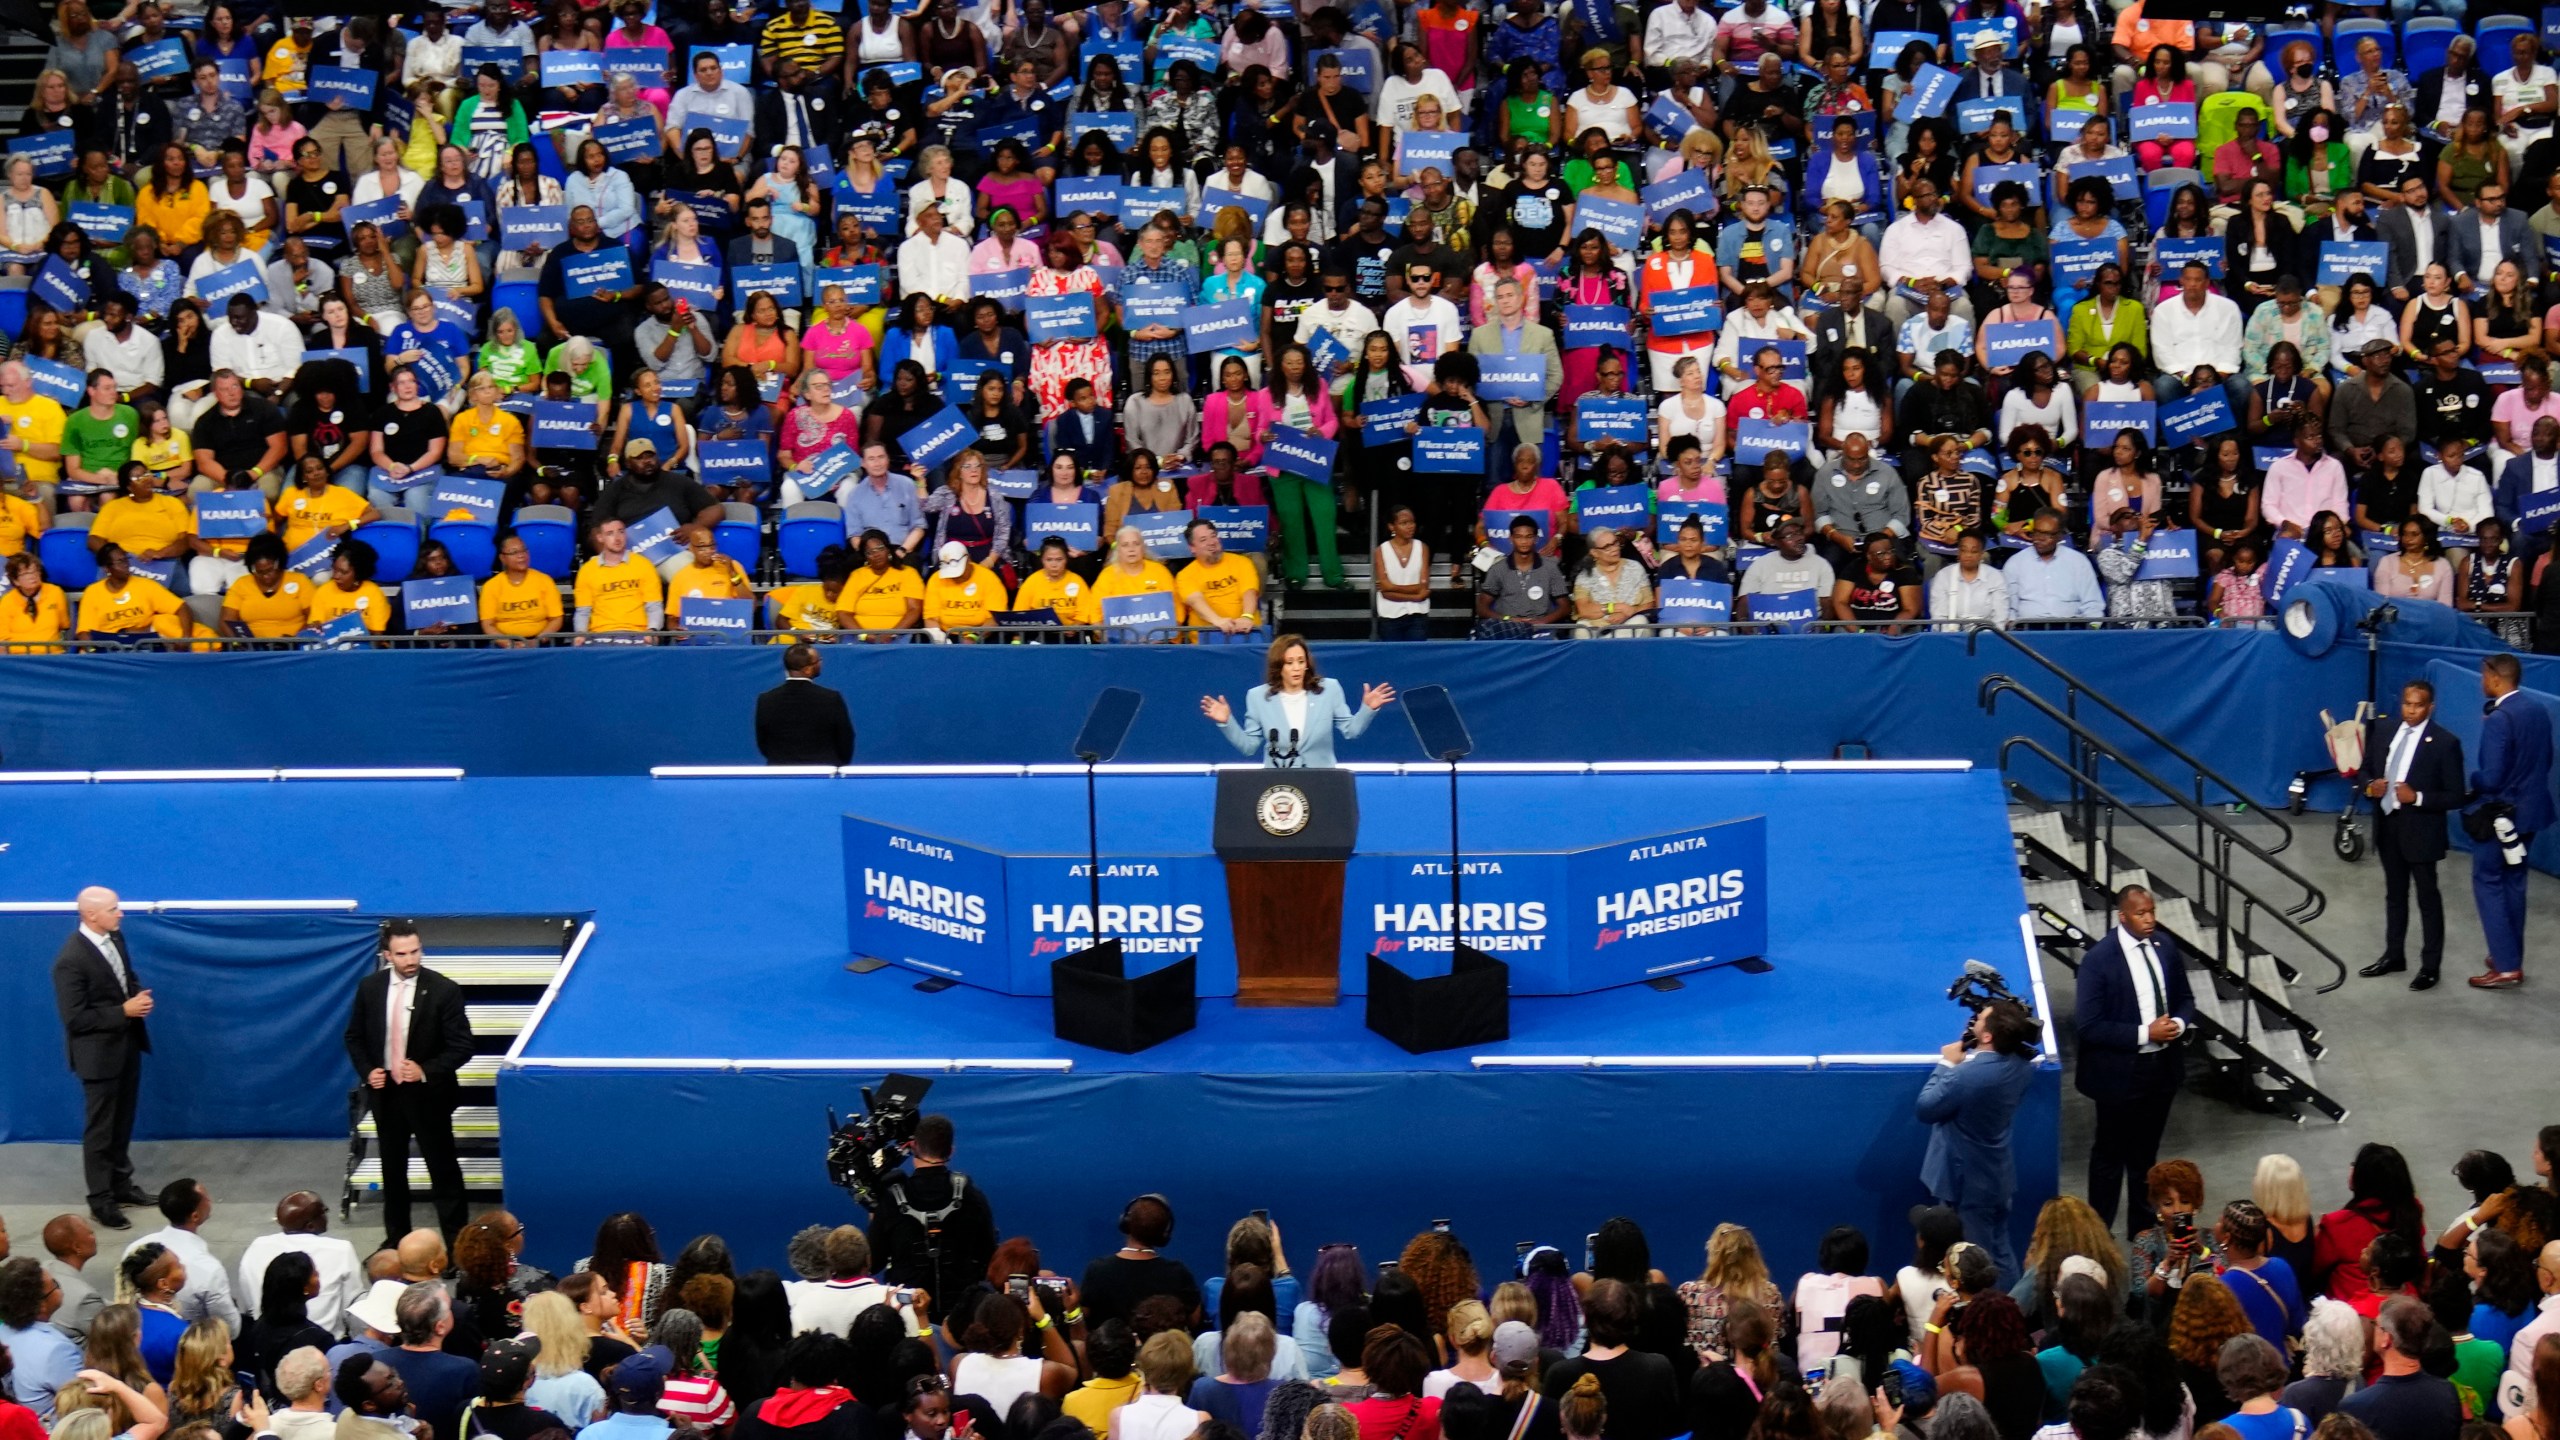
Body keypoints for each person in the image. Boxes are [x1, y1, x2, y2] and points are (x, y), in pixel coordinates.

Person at [342, 921, 475, 1247]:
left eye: (415, 951)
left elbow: (462, 1047)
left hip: (429, 1095)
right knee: (393, 1172)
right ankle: (397, 1240)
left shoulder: (444, 990)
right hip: (386, 1095)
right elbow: (354, 1037)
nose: (411, 959)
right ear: (387, 954)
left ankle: (458, 1250)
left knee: (443, 1172)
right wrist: (368, 1070)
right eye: (402, 954)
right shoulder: (369, 988)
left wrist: (425, 1069)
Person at [2076, 886, 2197, 1238]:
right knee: (2110, 1157)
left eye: (2152, 911)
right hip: (2120, 1076)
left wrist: (2179, 1023)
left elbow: (2186, 998)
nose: (2150, 919)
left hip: (2161, 1071)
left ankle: (2143, 1233)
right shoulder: (2098, 961)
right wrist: (2146, 1033)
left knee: (2146, 1156)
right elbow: (2089, 1026)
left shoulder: (2165, 947)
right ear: (2123, 916)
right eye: (2141, 913)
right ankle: (2098, 1232)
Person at [2349, 681, 2466, 991]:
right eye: (2407, 704)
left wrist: (2419, 798)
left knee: (2428, 898)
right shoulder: (2385, 731)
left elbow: (2455, 796)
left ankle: (2430, 966)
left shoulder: (2444, 743)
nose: (2411, 710)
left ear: (2431, 707)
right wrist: (2368, 785)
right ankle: (2393, 955)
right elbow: (2364, 770)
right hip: (2388, 825)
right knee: (2394, 894)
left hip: (2422, 831)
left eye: (2418, 705)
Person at [1916, 1000, 2040, 1287]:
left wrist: (1947, 1063)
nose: (1974, 1022)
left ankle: (1992, 1321)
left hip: (1967, 1185)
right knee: (2001, 1251)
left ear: (1987, 1037)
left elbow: (1925, 1108)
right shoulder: (2022, 1067)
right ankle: (2013, 1312)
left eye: (1980, 1019)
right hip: (1997, 1178)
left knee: (1976, 1262)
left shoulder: (1966, 1076)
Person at [51, 887, 150, 1230]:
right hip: (98, 1059)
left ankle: (121, 1186)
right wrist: (123, 1010)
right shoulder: (70, 960)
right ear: (91, 915)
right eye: (113, 909)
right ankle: (101, 1201)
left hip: (126, 1048)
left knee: (122, 1123)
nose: (120, 913)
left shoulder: (115, 938)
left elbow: (125, 977)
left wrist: (135, 995)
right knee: (101, 1131)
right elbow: (75, 1019)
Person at [2465, 653, 2555, 990]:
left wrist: (2473, 779)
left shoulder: (2500, 718)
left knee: (2488, 880)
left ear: (2495, 677)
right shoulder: (2537, 710)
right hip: (2532, 812)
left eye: (2483, 676)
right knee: (2514, 881)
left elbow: (2491, 776)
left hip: (2502, 815)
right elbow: (2544, 761)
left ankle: (2505, 967)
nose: (2481, 682)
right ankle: (2508, 954)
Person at [1202, 633, 1394, 768]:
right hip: (1279, 787)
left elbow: (1351, 732)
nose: (1296, 668)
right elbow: (1249, 747)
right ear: (1279, 666)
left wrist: (1367, 709)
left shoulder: (1329, 690)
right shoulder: (1258, 697)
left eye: (1301, 662)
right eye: (1290, 662)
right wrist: (1227, 722)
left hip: (1322, 781)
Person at [861, 1113, 994, 1303]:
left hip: (908, 1312)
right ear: (951, 1151)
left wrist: (875, 1213)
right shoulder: (972, 1196)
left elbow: (872, 1263)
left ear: (914, 1146)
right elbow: (988, 1255)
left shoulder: (890, 1199)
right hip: (961, 1314)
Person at [2337, 1297, 2463, 1440]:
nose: (2373, 1329)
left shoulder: (2356, 1406)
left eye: (2375, 1325)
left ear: (2387, 1339)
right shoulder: (2447, 1393)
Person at [755, 644, 856, 767]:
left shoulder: (766, 699)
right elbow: (845, 738)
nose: (821, 663)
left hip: (780, 773)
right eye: (818, 660)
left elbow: (762, 741)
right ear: (807, 669)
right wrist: (837, 765)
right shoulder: (831, 698)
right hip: (824, 773)